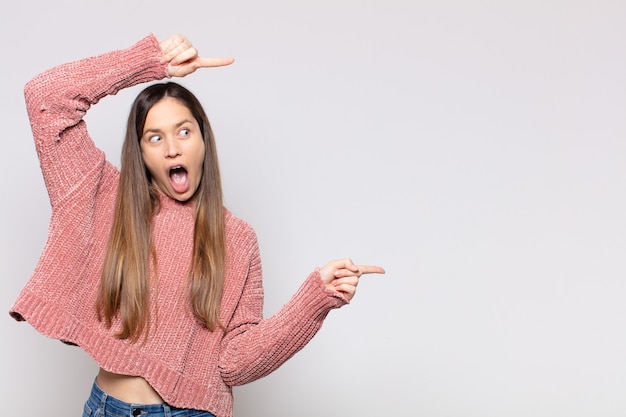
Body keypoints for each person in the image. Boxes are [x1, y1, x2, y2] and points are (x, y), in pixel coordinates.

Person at [9, 33, 385, 417]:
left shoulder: (237, 238)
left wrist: (314, 300)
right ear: (140, 152)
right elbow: (45, 98)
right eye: (155, 137)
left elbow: (235, 362)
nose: (172, 147)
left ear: (204, 140)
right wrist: (149, 63)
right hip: (107, 408)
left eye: (184, 131)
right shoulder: (104, 196)